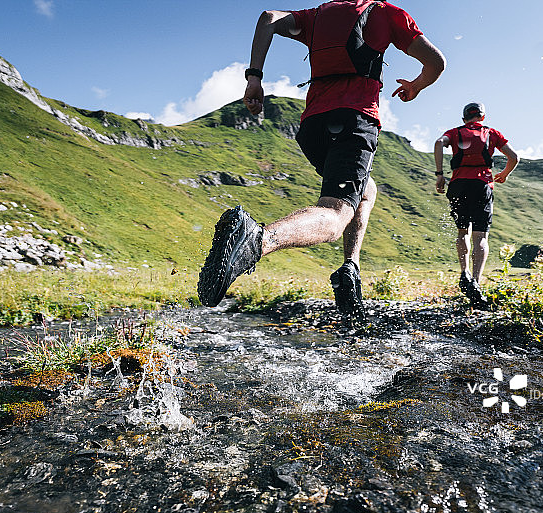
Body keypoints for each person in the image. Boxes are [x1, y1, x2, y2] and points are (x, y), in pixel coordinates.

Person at [197, 1, 446, 318]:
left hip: (313, 126)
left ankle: (349, 270)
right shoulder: (386, 13)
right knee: (335, 213)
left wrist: (254, 77)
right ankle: (257, 241)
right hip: (354, 120)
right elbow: (436, 62)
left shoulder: (317, 15)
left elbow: (268, 18)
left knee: (365, 190)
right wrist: (416, 85)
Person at [433, 102, 519, 308]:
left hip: (458, 185)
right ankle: (476, 282)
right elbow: (514, 157)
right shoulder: (492, 133)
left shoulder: (454, 132)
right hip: (482, 186)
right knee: (480, 235)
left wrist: (439, 175)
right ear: (482, 117)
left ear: (464, 119)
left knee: (463, 232)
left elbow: (438, 143)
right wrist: (503, 175)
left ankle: (464, 273)